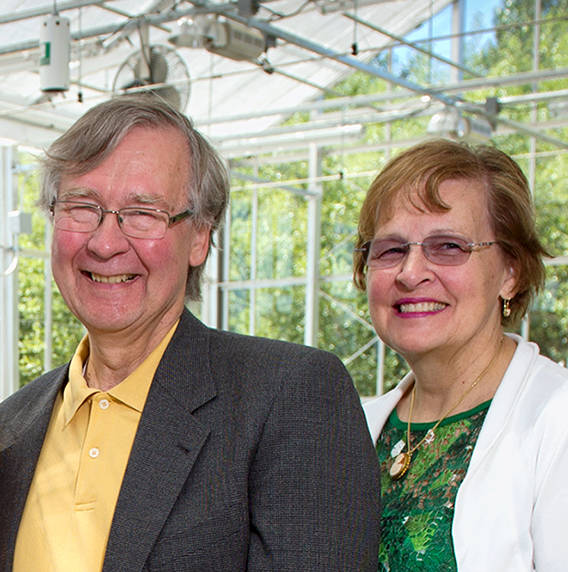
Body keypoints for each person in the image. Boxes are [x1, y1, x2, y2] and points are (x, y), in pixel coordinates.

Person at [0, 94, 380, 571]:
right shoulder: (11, 427)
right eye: (82, 206)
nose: (105, 242)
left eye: (143, 213)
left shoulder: (289, 396)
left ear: (199, 236)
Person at [354, 138, 568, 570]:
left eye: (449, 247)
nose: (411, 272)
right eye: (391, 250)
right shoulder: (359, 428)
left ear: (511, 273)